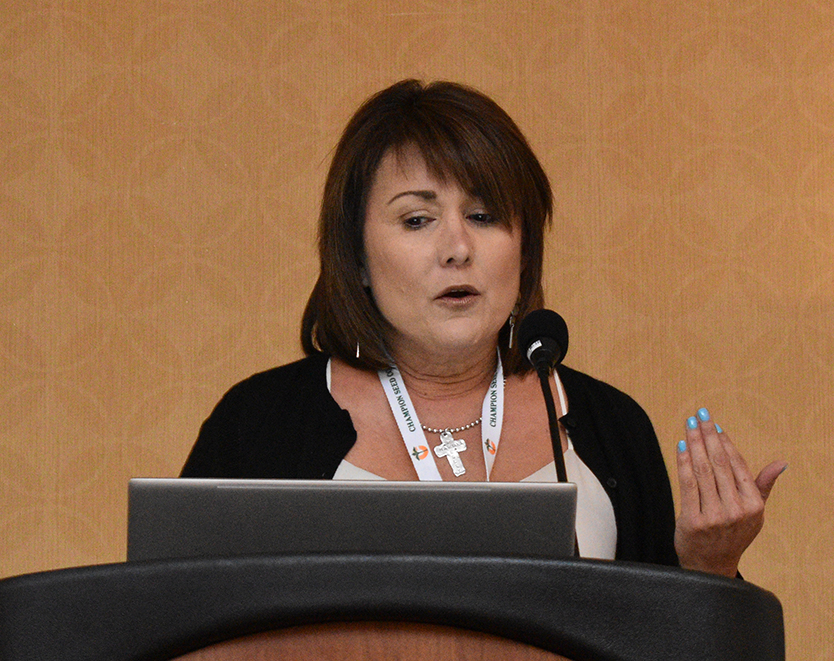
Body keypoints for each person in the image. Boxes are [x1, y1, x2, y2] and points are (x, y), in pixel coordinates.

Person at [181, 79, 786, 577]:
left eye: (484, 215)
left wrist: (710, 566)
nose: (458, 248)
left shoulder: (611, 426)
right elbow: (174, 625)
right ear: (358, 257)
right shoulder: (257, 424)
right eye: (417, 219)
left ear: (524, 251)